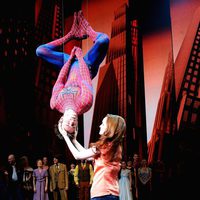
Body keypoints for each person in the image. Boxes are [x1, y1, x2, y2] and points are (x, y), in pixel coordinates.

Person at [36, 10, 109, 135]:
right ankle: (88, 30)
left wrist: (69, 60)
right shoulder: (85, 104)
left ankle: (70, 34)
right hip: (87, 66)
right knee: (103, 40)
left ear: (61, 121)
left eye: (68, 124)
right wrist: (80, 58)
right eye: (74, 126)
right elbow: (86, 79)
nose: (72, 122)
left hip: (68, 66)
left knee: (40, 51)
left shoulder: (55, 104)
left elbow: (59, 81)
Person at [59, 114, 126, 200]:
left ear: (110, 128)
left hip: (102, 194)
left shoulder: (104, 147)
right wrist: (74, 140)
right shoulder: (113, 147)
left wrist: (65, 136)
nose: (100, 125)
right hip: (111, 194)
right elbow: (85, 155)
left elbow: (77, 156)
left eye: (103, 124)